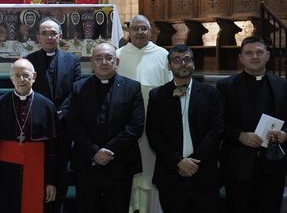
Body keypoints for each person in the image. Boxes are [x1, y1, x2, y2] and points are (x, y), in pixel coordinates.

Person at [216, 36, 287, 213]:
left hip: (272, 166)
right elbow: (217, 123)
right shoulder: (225, 86)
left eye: (259, 52)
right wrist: (240, 135)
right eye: (249, 53)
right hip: (238, 166)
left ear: (267, 55)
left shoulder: (283, 86)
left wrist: (285, 135)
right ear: (241, 58)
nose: (254, 56)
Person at [64, 42, 145, 213]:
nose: (104, 62)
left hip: (120, 163)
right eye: (98, 58)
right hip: (87, 163)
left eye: (109, 58)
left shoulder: (132, 88)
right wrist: (94, 151)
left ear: (117, 61)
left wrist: (107, 151)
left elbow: (135, 127)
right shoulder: (79, 87)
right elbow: (73, 124)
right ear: (92, 62)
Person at [145, 45, 223, 213]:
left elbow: (216, 131)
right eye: (177, 60)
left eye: (187, 59)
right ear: (169, 65)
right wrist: (178, 161)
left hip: (204, 174)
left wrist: (194, 161)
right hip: (171, 175)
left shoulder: (211, 94)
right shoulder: (157, 95)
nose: (183, 64)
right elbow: (154, 133)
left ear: (193, 64)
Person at [0, 58, 62, 213]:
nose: (21, 79)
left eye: (25, 75)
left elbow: (53, 148)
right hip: (4, 171)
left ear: (34, 77)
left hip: (38, 170)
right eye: (17, 75)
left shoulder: (47, 106)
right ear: (11, 78)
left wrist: (51, 181)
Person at [116, 15, 172, 213]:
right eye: (135, 29)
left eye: (144, 28)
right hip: (125, 125)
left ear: (151, 31)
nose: (139, 32)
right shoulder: (118, 54)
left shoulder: (163, 55)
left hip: (154, 125)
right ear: (129, 32)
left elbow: (169, 91)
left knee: (151, 168)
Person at [25, 18, 81, 212]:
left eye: (53, 33)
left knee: (61, 170)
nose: (49, 37)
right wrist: (45, 113)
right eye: (45, 33)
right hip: (37, 124)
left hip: (63, 124)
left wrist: (61, 112)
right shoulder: (29, 61)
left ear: (60, 36)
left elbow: (75, 91)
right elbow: (26, 90)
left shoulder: (72, 60)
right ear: (38, 36)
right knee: (38, 170)